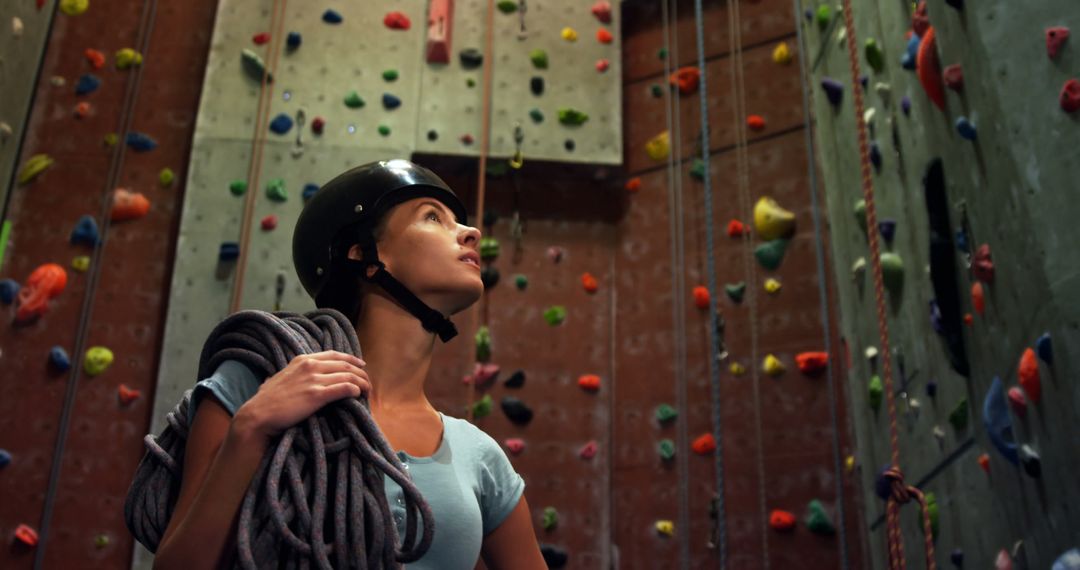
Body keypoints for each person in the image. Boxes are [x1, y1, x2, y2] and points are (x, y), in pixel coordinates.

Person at [153, 159, 546, 569]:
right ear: (364, 255)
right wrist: (251, 428)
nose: (471, 233)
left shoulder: (478, 454)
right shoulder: (254, 382)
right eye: (433, 216)